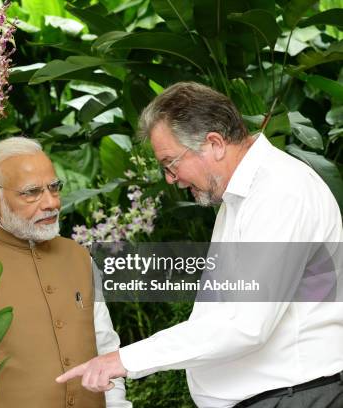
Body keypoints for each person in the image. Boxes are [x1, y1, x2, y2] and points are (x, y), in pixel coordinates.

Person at [56, 82, 343, 407]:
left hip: (297, 396)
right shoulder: (240, 197)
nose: (170, 179)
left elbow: (246, 324)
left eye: (170, 163)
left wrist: (123, 360)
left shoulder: (279, 192)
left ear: (215, 143)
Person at [0, 137, 131, 408]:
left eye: (54, 188)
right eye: (31, 192)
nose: (51, 203)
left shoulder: (78, 256)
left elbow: (105, 345)